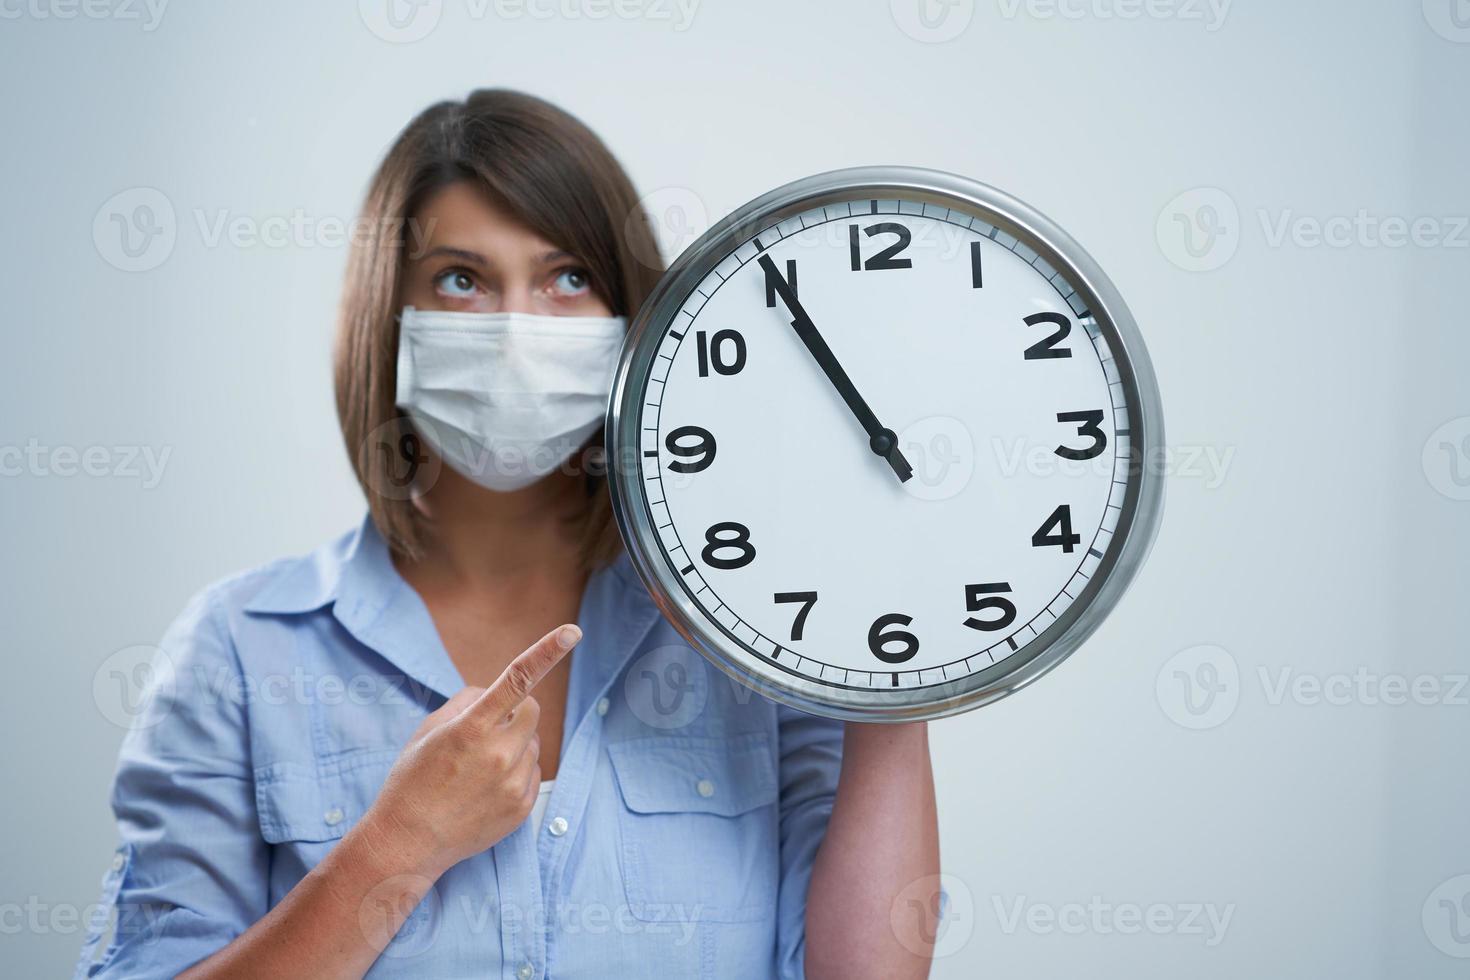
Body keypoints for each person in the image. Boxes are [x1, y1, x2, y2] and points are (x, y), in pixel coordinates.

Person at [76, 89, 940, 979]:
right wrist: (397, 846)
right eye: (462, 279)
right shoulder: (241, 648)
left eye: (569, 278)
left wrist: (888, 678)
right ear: (391, 317)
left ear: (631, 317)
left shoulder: (755, 636)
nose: (519, 329)